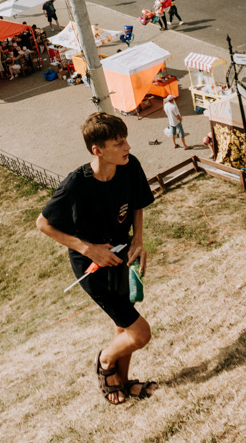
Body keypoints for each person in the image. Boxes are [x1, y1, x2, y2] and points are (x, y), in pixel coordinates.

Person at [36, 113, 157, 405]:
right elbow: (42, 223)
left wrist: (138, 240)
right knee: (139, 334)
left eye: (125, 140)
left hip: (122, 254)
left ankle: (125, 384)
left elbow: (139, 203)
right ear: (97, 150)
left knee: (123, 324)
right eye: (119, 143)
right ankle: (105, 362)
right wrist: (88, 249)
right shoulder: (76, 185)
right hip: (93, 267)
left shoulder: (131, 165)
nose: (127, 147)